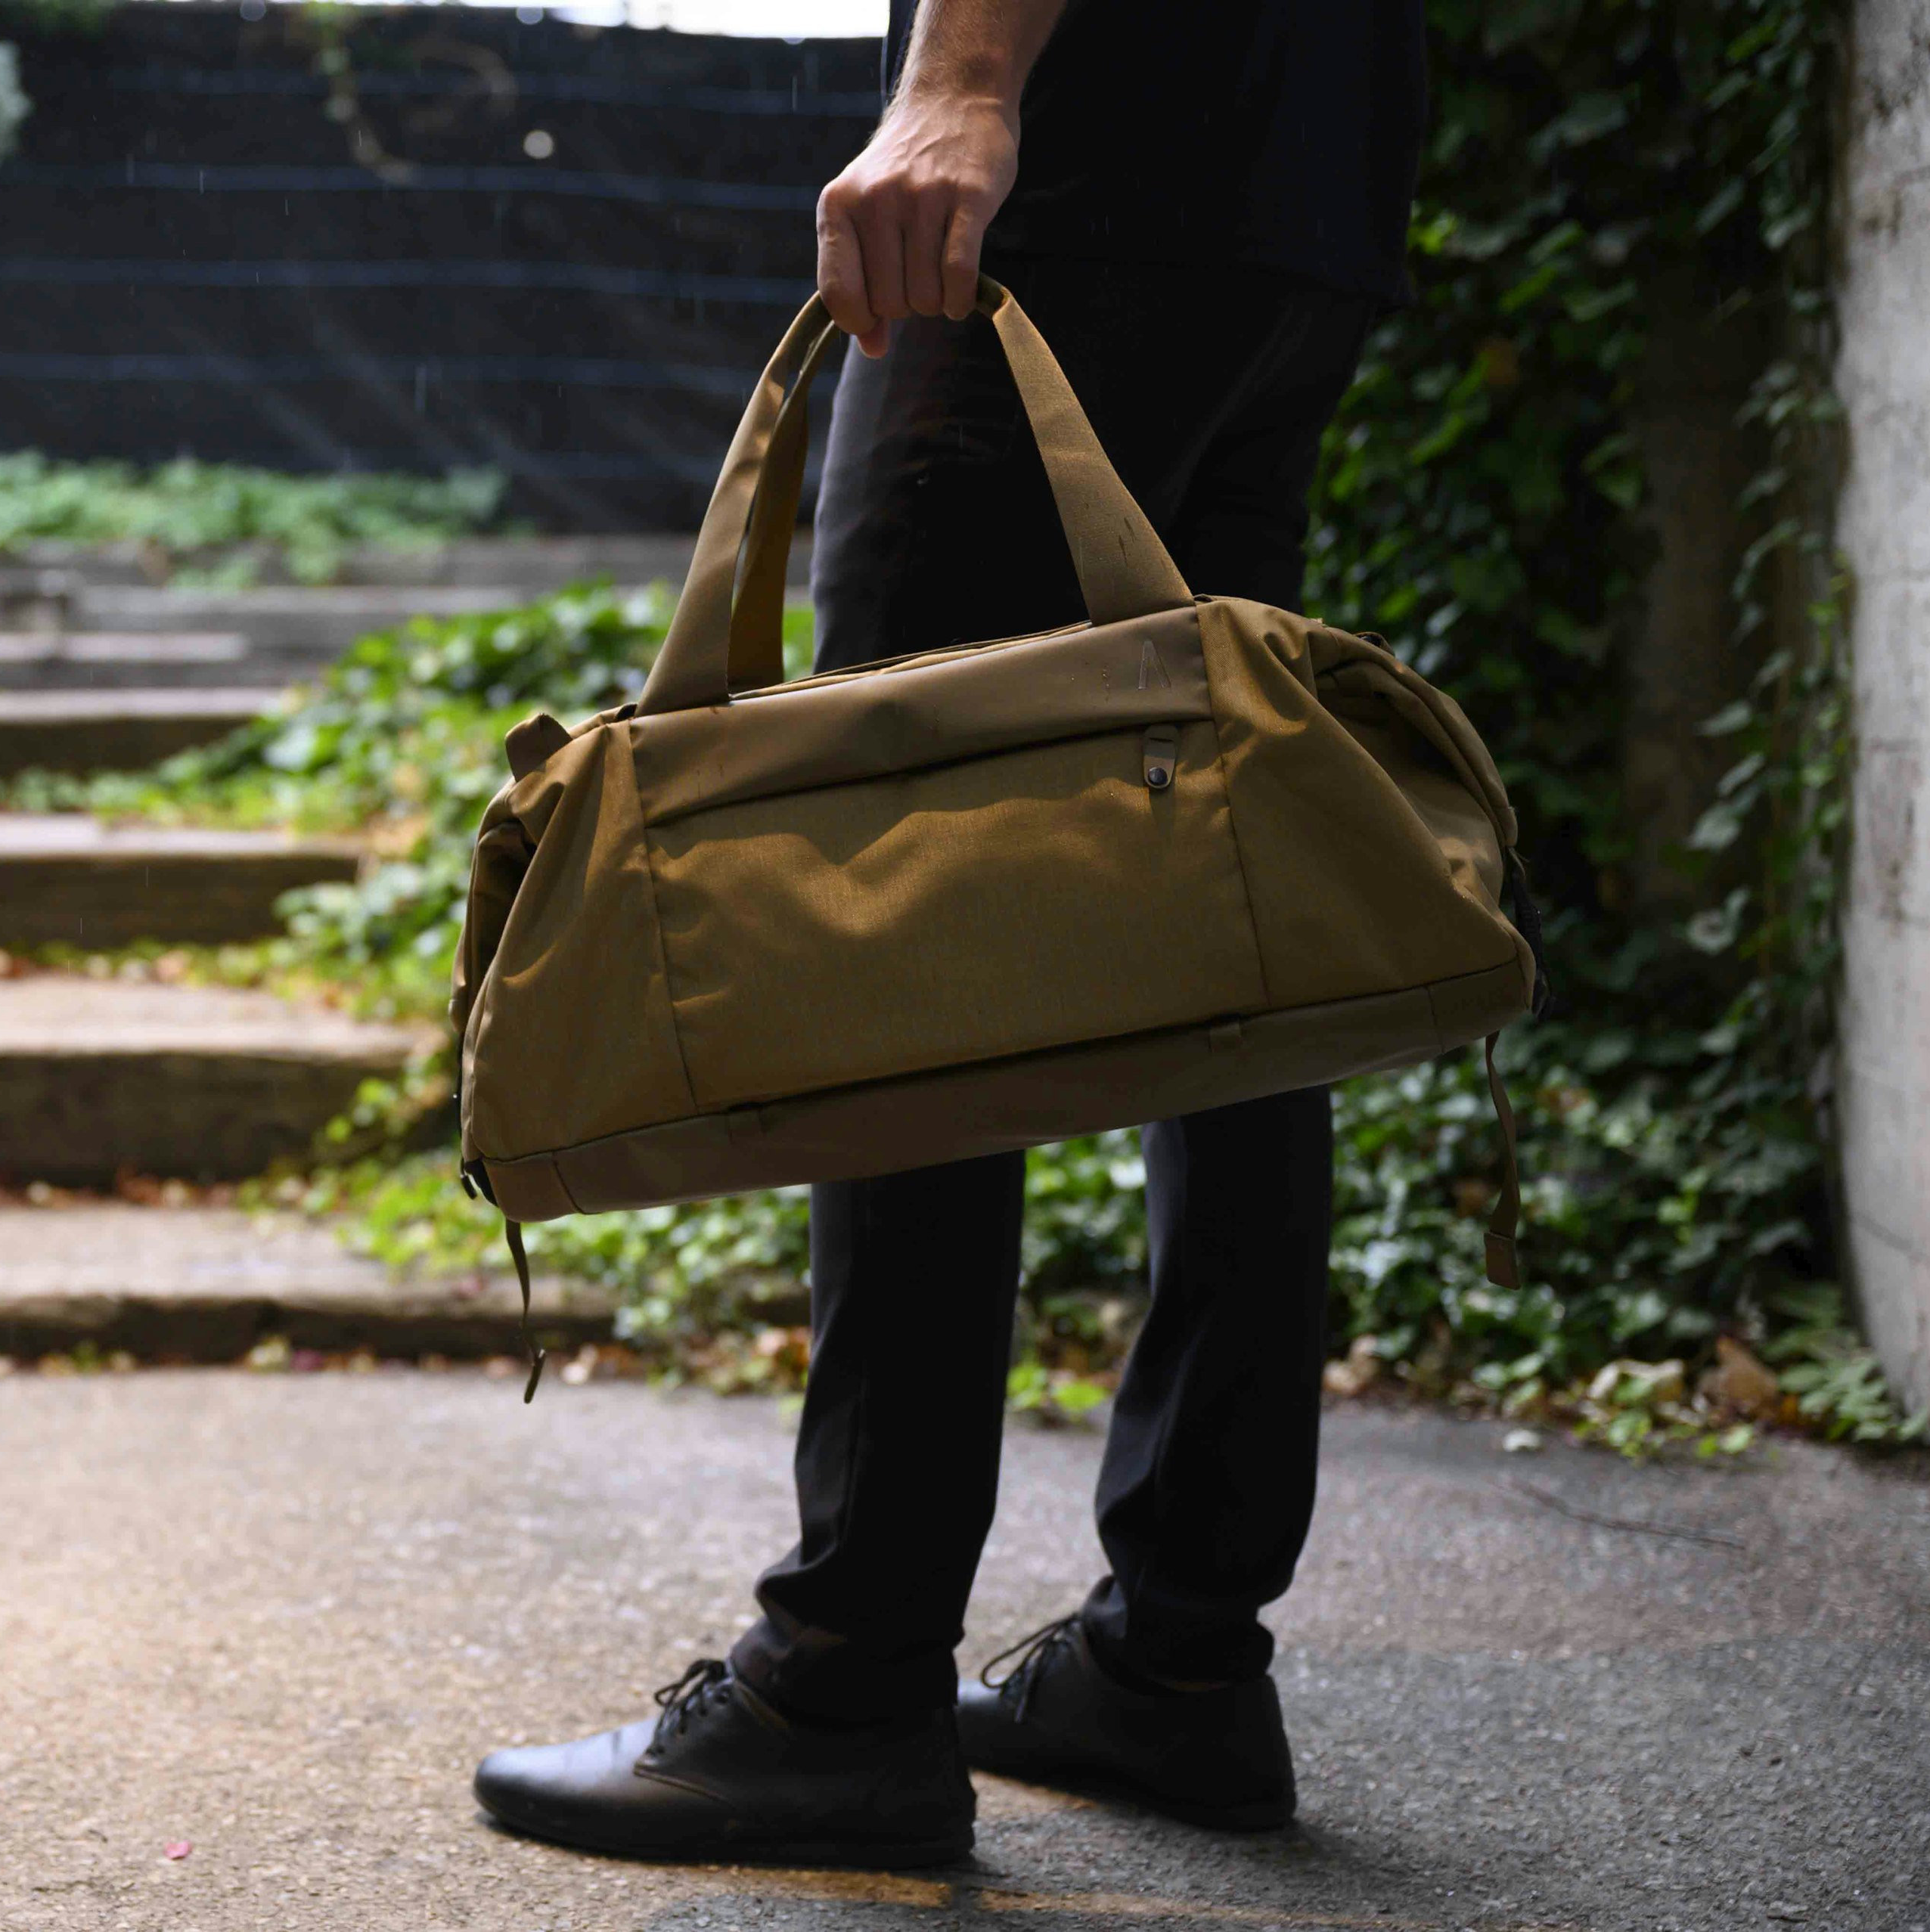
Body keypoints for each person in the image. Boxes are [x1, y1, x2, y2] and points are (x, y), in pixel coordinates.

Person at [470, 0, 1428, 1867]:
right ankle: (1179, 1663)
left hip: (1091, 151)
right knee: (1220, 903)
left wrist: (966, 76)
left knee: (883, 905)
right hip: (1308, 166)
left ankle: (848, 1682)